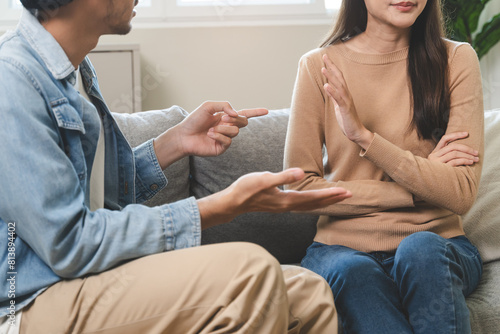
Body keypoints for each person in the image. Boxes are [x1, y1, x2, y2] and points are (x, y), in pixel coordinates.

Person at [0, 0, 354, 333]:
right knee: (249, 272)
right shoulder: (14, 81)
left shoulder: (73, 70)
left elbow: (94, 198)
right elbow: (70, 244)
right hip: (30, 302)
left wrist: (174, 143)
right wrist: (220, 207)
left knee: (308, 293)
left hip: (81, 280)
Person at [284, 0, 484, 333]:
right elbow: (298, 190)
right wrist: (415, 188)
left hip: (437, 243)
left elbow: (460, 193)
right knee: (353, 272)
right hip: (340, 249)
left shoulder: (456, 60)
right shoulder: (318, 66)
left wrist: (364, 137)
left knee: (420, 250)